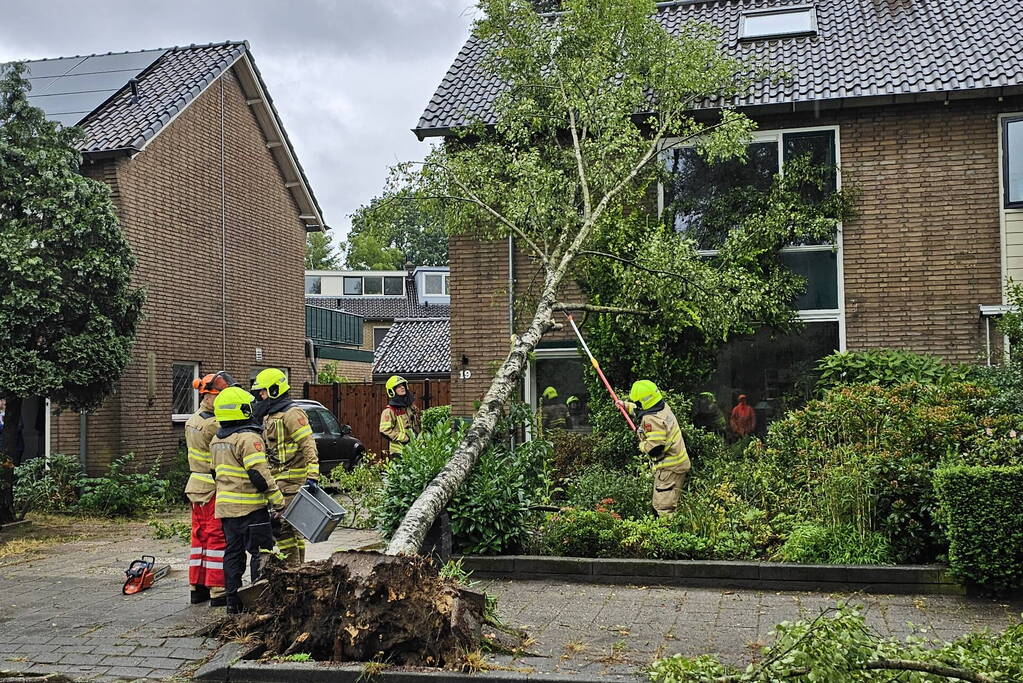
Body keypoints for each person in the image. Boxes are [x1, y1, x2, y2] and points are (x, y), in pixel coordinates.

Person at [210, 386, 285, 614]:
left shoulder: (216, 440)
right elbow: (259, 474)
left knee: (233, 553)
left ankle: (232, 603)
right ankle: (259, 601)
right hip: (251, 508)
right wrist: (277, 500)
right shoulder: (248, 438)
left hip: (226, 509)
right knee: (261, 552)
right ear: (242, 411)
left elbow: (214, 472)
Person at [250, 368, 318, 564]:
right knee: (291, 528)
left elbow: (308, 444)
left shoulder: (292, 413)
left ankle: (292, 569)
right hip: (278, 479)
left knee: (282, 527)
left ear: (274, 390)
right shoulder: (270, 414)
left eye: (263, 391)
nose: (260, 396)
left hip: (292, 481)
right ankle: (299, 569)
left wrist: (313, 475)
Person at [184, 371, 236, 607]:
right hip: (213, 487)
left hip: (196, 485)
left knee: (199, 537)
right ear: (212, 396)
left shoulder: (193, 420)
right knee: (217, 537)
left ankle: (198, 587)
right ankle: (218, 589)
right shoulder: (214, 425)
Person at [620, 380, 690, 517]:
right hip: (678, 463)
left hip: (669, 469)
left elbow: (655, 448)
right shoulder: (662, 408)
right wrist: (625, 406)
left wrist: (642, 445)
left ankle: (666, 535)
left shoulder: (652, 419)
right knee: (670, 502)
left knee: (663, 507)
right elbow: (641, 409)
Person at [379, 375, 420, 458]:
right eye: (398, 387)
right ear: (392, 391)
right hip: (399, 452)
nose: (402, 388)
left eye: (403, 385)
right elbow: (384, 430)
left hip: (415, 449)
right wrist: (404, 438)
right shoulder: (389, 411)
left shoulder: (410, 407)